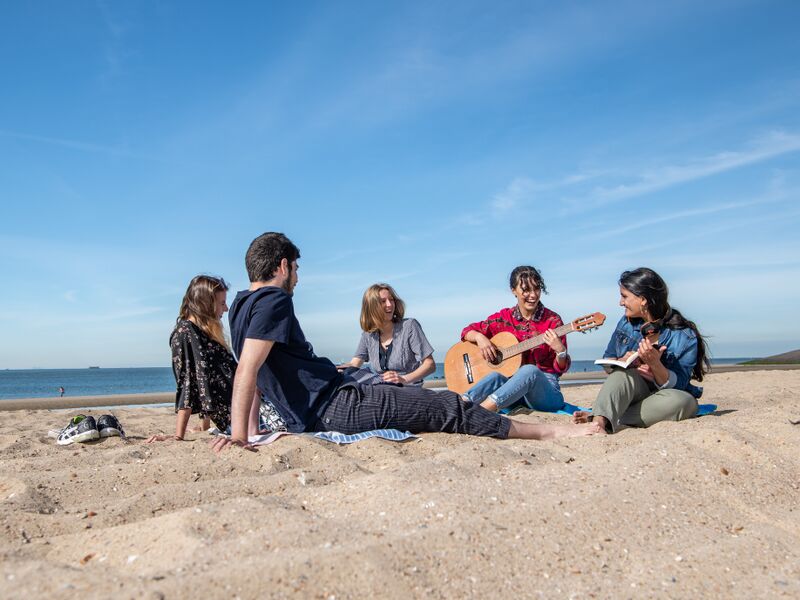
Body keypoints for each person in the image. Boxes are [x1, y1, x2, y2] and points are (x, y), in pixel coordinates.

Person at [212, 233, 601, 453]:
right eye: (295, 268)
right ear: (282, 265)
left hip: (328, 399)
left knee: (444, 402)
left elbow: (254, 373)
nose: (296, 277)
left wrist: (245, 432)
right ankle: (551, 433)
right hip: (336, 406)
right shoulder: (275, 300)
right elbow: (249, 369)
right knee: (449, 407)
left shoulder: (241, 305)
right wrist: (241, 438)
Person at [147, 275, 284, 443]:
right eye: (221, 303)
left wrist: (204, 426)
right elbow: (188, 383)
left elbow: (204, 382)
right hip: (248, 417)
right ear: (205, 304)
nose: (226, 309)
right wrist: (178, 436)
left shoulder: (204, 333)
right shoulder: (185, 333)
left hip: (253, 410)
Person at [572, 267, 709, 433]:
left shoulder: (684, 336)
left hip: (661, 397)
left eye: (624, 296)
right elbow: (608, 359)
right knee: (622, 374)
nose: (620, 302)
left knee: (686, 402)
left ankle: (603, 415)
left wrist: (655, 365)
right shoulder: (625, 322)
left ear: (643, 300)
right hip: (630, 391)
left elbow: (680, 384)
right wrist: (622, 361)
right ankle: (598, 423)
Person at [459, 266, 569, 413]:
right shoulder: (503, 318)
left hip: (545, 394)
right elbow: (467, 331)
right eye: (526, 290)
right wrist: (480, 337)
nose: (533, 295)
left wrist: (561, 352)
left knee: (529, 370)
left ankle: (480, 412)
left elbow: (559, 368)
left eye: (536, 289)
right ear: (513, 290)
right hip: (514, 394)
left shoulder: (553, 321)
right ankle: (458, 406)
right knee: (495, 376)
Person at [340, 283, 435, 385]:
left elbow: (430, 365)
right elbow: (355, 364)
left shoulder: (409, 326)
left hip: (408, 391)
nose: (389, 304)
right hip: (382, 390)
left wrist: (404, 379)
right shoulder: (368, 335)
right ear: (371, 307)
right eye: (383, 301)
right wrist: (334, 369)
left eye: (391, 299)